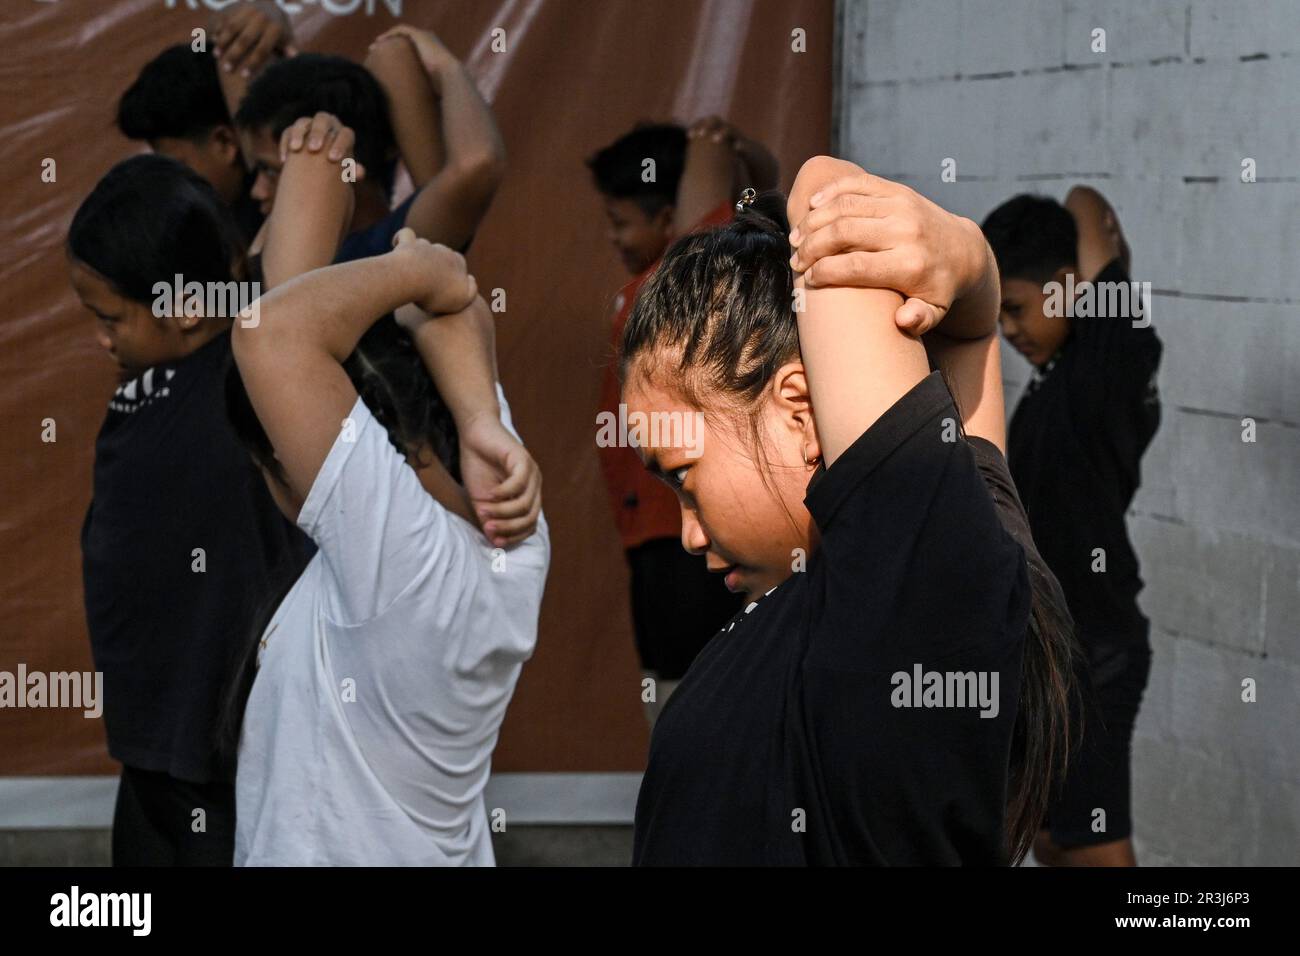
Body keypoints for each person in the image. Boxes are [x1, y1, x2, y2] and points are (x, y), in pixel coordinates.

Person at [623, 156, 1075, 865]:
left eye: (683, 475)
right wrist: (969, 256)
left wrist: (958, 247)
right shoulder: (954, 559)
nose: (686, 533)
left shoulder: (911, 594)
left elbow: (824, 192)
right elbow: (966, 334)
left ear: (802, 414)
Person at [224, 131, 548, 866]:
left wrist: (410, 267)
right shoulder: (511, 518)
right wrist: (480, 418)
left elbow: (271, 336)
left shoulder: (404, 562)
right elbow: (453, 307)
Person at [67, 154, 312, 865]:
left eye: (110, 318)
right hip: (150, 742)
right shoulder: (152, 374)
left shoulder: (250, 370)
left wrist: (310, 146)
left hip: (224, 757)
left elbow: (291, 242)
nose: (101, 339)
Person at [982, 188, 1161, 866]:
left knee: (1095, 850)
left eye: (1019, 308)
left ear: (1070, 287)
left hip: (1096, 656)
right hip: (1052, 657)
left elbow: (1090, 210)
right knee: (1052, 839)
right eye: (999, 315)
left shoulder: (1106, 367)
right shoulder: (1053, 384)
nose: (1009, 330)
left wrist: (1077, 229)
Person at [586, 117, 778, 723]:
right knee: (669, 689)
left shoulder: (683, 276)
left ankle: (702, 808)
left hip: (682, 540)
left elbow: (746, 202)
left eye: (622, 222)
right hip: (649, 537)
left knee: (693, 698)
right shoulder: (649, 288)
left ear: (671, 221)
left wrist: (717, 143)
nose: (614, 238)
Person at [234, 24, 504, 262]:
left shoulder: (382, 252)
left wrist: (446, 66)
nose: (257, 191)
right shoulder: (362, 206)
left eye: (270, 171)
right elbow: (392, 53)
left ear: (347, 164)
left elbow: (478, 164)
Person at [116, 2, 294, 243]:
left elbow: (235, 57)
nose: (170, 186)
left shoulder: (282, 199)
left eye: (180, 166)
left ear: (224, 142)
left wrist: (260, 16)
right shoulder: (204, 231)